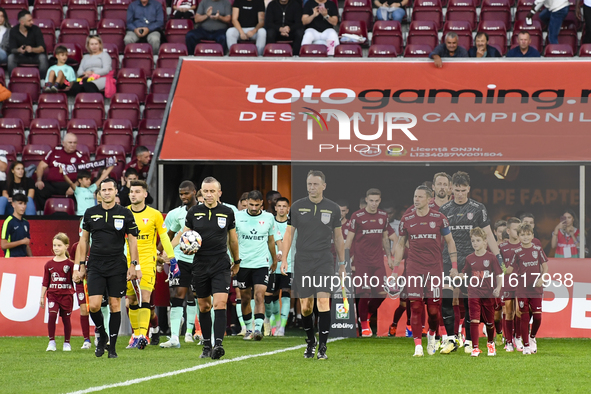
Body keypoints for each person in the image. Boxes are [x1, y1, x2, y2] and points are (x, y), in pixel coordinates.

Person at [280, 170, 345, 360]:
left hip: (324, 259)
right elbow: (289, 234)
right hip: (303, 260)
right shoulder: (298, 206)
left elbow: (339, 237)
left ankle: (323, 347)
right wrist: (284, 258)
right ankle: (310, 342)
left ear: (324, 186)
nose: (312, 187)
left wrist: (342, 264)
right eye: (309, 184)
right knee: (306, 306)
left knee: (323, 301)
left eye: (316, 184)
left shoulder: (333, 208)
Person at [439, 171, 504, 354]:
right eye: (457, 190)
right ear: (452, 189)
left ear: (469, 189)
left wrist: (497, 256)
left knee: (469, 301)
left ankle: (468, 340)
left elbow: (488, 233)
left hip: (471, 260)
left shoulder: (477, 208)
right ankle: (451, 339)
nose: (460, 193)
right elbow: (439, 237)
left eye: (463, 190)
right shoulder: (444, 210)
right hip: (448, 258)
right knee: (446, 296)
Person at [74, 178, 140, 359]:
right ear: (99, 193)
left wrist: (134, 264)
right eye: (104, 190)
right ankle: (101, 334)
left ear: (116, 192)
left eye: (110, 189)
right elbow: (84, 240)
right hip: (95, 264)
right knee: (93, 306)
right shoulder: (90, 213)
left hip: (117, 264)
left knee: (114, 305)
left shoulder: (125, 213)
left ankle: (112, 347)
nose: (107, 192)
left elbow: (132, 240)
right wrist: (80, 265)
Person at [391, 185, 457, 357]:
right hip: (414, 267)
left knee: (434, 310)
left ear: (429, 199)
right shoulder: (407, 219)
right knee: (415, 306)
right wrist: (395, 270)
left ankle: (432, 334)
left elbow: (450, 241)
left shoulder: (440, 218)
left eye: (420, 197)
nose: (416, 199)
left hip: (434, 268)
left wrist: (454, 266)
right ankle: (418, 346)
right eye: (415, 196)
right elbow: (400, 244)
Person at [181, 176, 239, 360]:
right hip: (200, 265)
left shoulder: (228, 212)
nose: (209, 194)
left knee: (219, 303)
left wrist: (236, 261)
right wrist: (183, 249)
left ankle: (219, 344)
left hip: (221, 264)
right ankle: (207, 345)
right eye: (205, 191)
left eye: (212, 191)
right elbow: (185, 237)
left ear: (219, 193)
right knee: (204, 306)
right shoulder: (193, 213)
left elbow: (232, 239)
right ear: (201, 193)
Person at [125, 180, 177, 349]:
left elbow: (164, 237)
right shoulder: (123, 213)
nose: (133, 194)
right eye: (131, 191)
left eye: (137, 191)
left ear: (145, 194)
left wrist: (172, 258)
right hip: (127, 262)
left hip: (148, 261)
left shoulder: (155, 214)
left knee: (145, 297)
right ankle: (135, 335)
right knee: (131, 300)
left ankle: (142, 336)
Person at [345, 188, 391, 338]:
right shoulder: (357, 216)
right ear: (366, 200)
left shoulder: (383, 216)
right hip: (361, 261)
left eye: (377, 201)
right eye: (371, 200)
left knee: (382, 294)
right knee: (363, 293)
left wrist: (389, 257)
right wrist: (346, 261)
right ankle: (364, 325)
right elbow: (349, 240)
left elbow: (385, 238)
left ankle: (367, 314)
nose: (374, 204)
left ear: (380, 201)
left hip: (377, 261)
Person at [162, 181, 200, 348]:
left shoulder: (204, 212)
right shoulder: (175, 214)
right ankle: (175, 337)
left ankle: (197, 333)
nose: (184, 197)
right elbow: (169, 234)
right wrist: (163, 252)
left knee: (200, 297)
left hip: (201, 260)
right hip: (180, 260)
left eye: (187, 193)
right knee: (177, 295)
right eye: (181, 194)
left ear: (195, 192)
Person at [235, 190, 278, 340]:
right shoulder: (238, 216)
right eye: (251, 205)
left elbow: (271, 240)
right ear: (246, 203)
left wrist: (274, 260)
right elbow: (231, 240)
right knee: (245, 298)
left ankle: (258, 329)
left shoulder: (268, 217)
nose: (253, 208)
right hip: (243, 264)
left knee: (259, 295)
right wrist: (233, 261)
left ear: (261, 203)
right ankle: (248, 328)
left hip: (261, 263)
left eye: (256, 205)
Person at [506, 223, 548, 355]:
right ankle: (525, 346)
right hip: (522, 289)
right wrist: (500, 267)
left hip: (536, 289)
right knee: (523, 317)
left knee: (537, 317)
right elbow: (509, 269)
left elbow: (545, 266)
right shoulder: (516, 252)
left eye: (528, 234)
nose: (525, 237)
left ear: (532, 235)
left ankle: (532, 337)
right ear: (518, 237)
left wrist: (542, 278)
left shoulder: (537, 250)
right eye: (522, 235)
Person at [460, 228, 502, 357]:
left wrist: (498, 288)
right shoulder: (469, 258)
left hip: (488, 294)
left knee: (490, 322)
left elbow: (499, 274)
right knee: (474, 320)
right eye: (473, 241)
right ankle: (475, 348)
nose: (475, 243)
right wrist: (459, 276)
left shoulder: (491, 258)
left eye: (478, 240)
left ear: (485, 242)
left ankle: (490, 344)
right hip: (473, 293)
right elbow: (465, 273)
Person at [40, 233, 75, 352]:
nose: (56, 248)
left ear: (66, 246)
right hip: (53, 295)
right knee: (52, 315)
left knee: (66, 319)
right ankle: (51, 342)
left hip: (66, 295)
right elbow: (45, 281)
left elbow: (75, 280)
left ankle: (67, 343)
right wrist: (42, 296)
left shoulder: (70, 265)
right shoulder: (49, 264)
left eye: (59, 245)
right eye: (54, 245)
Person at [35, 133, 87, 210]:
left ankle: (76, 215)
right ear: (63, 143)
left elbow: (85, 175)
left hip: (70, 185)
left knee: (81, 191)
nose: (72, 145)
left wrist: (74, 186)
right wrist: (39, 180)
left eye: (74, 142)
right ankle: (44, 214)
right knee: (39, 188)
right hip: (52, 185)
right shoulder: (54, 152)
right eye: (70, 142)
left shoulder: (80, 157)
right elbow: (41, 166)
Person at [264, 197, 293, 336]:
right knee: (271, 296)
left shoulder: (293, 224)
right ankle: (271, 322)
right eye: (279, 206)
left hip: (289, 264)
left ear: (288, 208)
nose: (281, 208)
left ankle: (281, 327)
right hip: (271, 264)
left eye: (284, 206)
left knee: (286, 293)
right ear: (275, 208)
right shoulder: (270, 222)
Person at [499, 217, 522, 351]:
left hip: (521, 284)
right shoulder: (502, 247)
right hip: (507, 283)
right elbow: (498, 264)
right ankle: (508, 341)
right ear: (508, 231)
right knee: (509, 312)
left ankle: (517, 338)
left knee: (519, 311)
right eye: (515, 229)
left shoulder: (524, 245)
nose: (518, 232)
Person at [7, 10, 48, 78]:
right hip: (21, 56)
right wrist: (19, 50)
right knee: (11, 58)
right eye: (29, 21)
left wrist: (32, 49)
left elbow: (42, 48)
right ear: (22, 22)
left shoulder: (36, 29)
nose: (32, 22)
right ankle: (12, 79)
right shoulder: (13, 31)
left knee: (43, 58)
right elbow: (12, 49)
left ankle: (42, 80)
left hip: (35, 56)